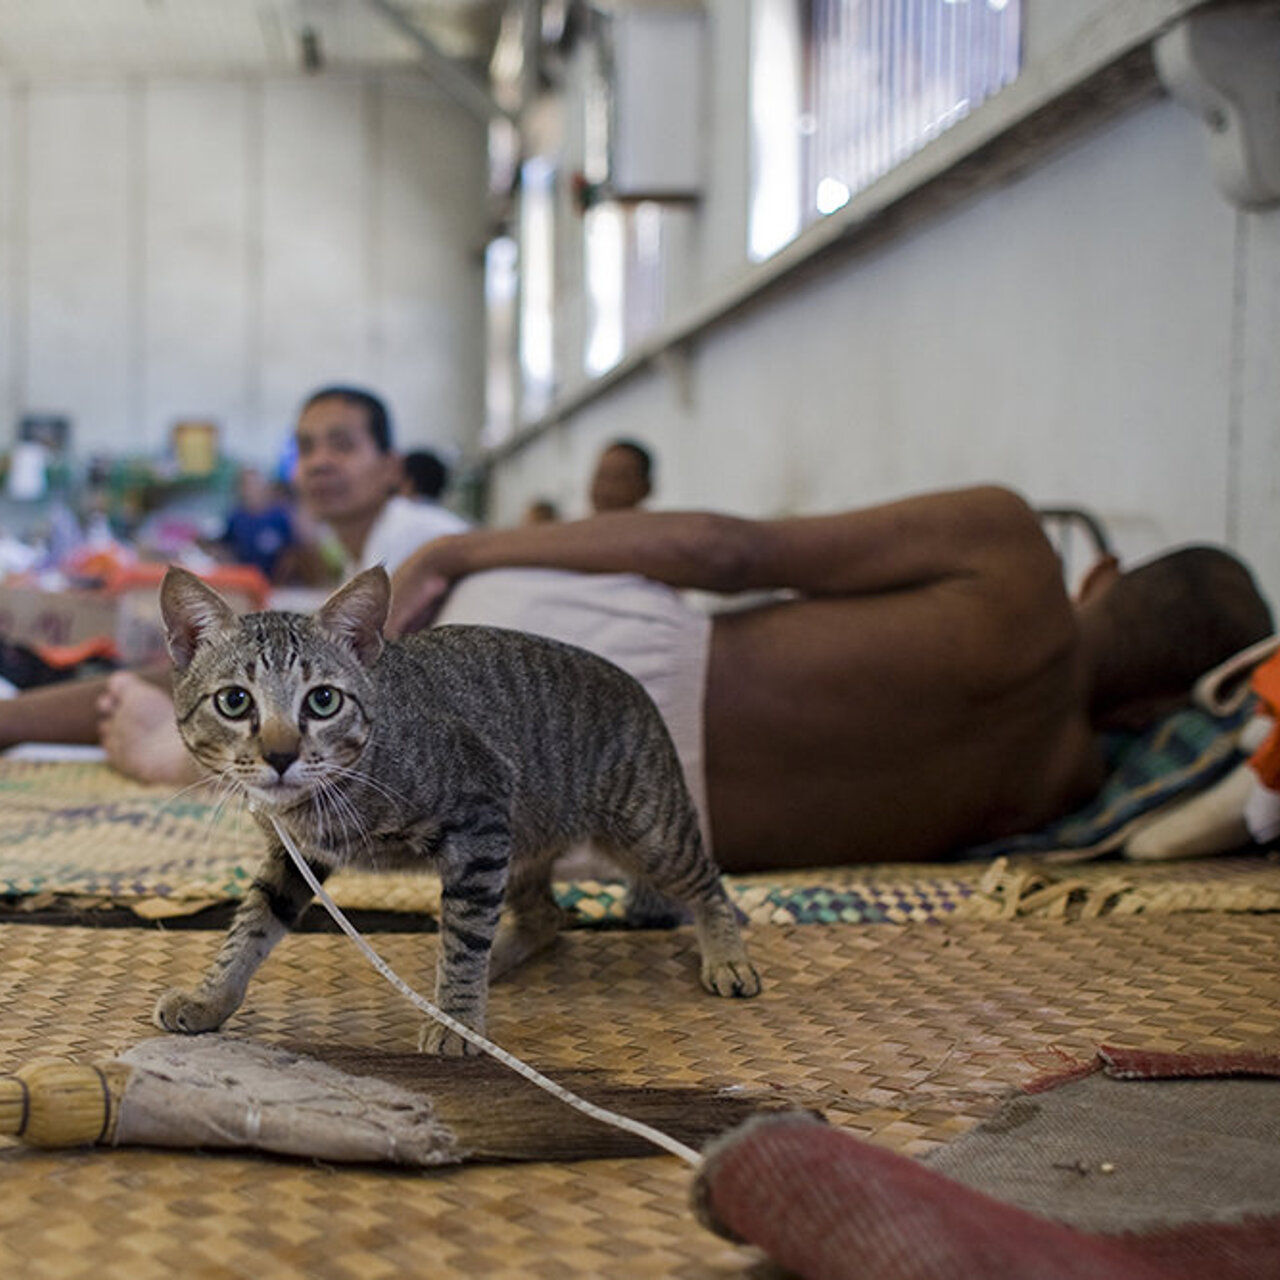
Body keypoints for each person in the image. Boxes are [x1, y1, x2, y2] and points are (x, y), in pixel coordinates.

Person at [384, 486, 1273, 873]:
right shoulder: (1065, 788)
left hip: (577, 664)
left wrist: (459, 549)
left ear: (1101, 576)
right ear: (1166, 706)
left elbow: (729, 551)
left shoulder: (1011, 551)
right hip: (607, 831)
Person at [0, 385, 467, 783]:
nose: (320, 462)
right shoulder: (365, 546)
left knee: (200, 680)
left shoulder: (416, 533)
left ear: (391, 466)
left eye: (341, 446)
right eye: (306, 448)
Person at [589, 439, 654, 514]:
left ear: (645, 488)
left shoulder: (653, 524)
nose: (606, 489)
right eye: (601, 477)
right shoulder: (581, 523)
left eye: (619, 479)